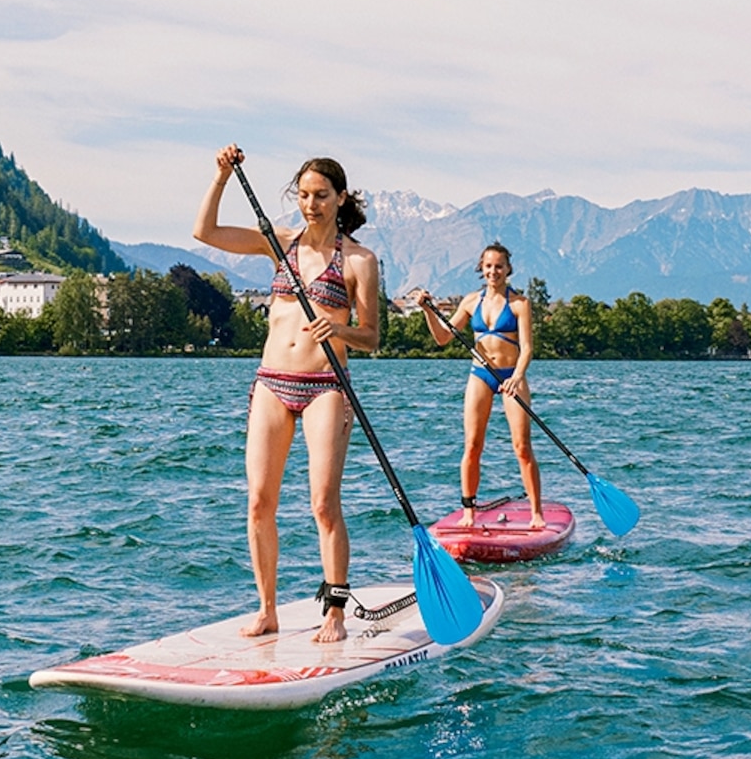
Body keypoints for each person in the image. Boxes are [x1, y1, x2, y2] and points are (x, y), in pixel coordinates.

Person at [193, 147, 383, 642]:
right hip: (272, 383)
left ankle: (335, 612)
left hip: (326, 387)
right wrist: (220, 178)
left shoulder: (360, 260)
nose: (310, 205)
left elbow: (372, 336)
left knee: (323, 503)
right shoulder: (281, 243)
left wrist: (337, 331)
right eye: (302, 195)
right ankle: (267, 610)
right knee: (259, 501)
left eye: (321, 196)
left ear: (340, 199)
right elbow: (205, 233)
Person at [408, 243, 542, 523]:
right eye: (488, 266)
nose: (493, 271)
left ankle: (536, 513)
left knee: (522, 447)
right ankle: (469, 511)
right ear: (481, 269)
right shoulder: (471, 302)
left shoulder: (520, 304)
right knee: (472, 445)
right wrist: (427, 311)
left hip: (511, 377)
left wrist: (517, 377)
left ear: (508, 269)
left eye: (499, 266)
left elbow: (527, 348)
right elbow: (442, 338)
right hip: (480, 375)